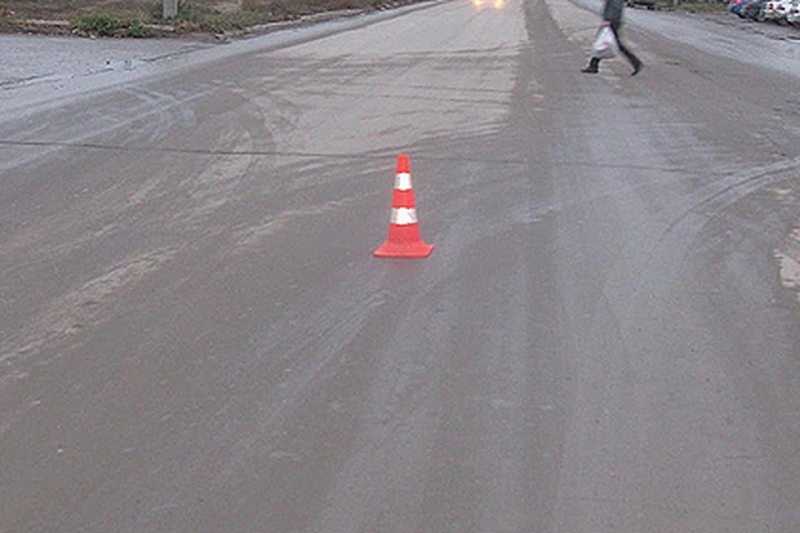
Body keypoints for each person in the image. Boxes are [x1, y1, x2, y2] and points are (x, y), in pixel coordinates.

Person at [582, 0, 643, 76]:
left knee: (605, 43)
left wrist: (608, 19)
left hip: (613, 21)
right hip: (614, 20)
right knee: (605, 43)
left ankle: (636, 63)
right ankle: (593, 65)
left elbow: (615, 4)